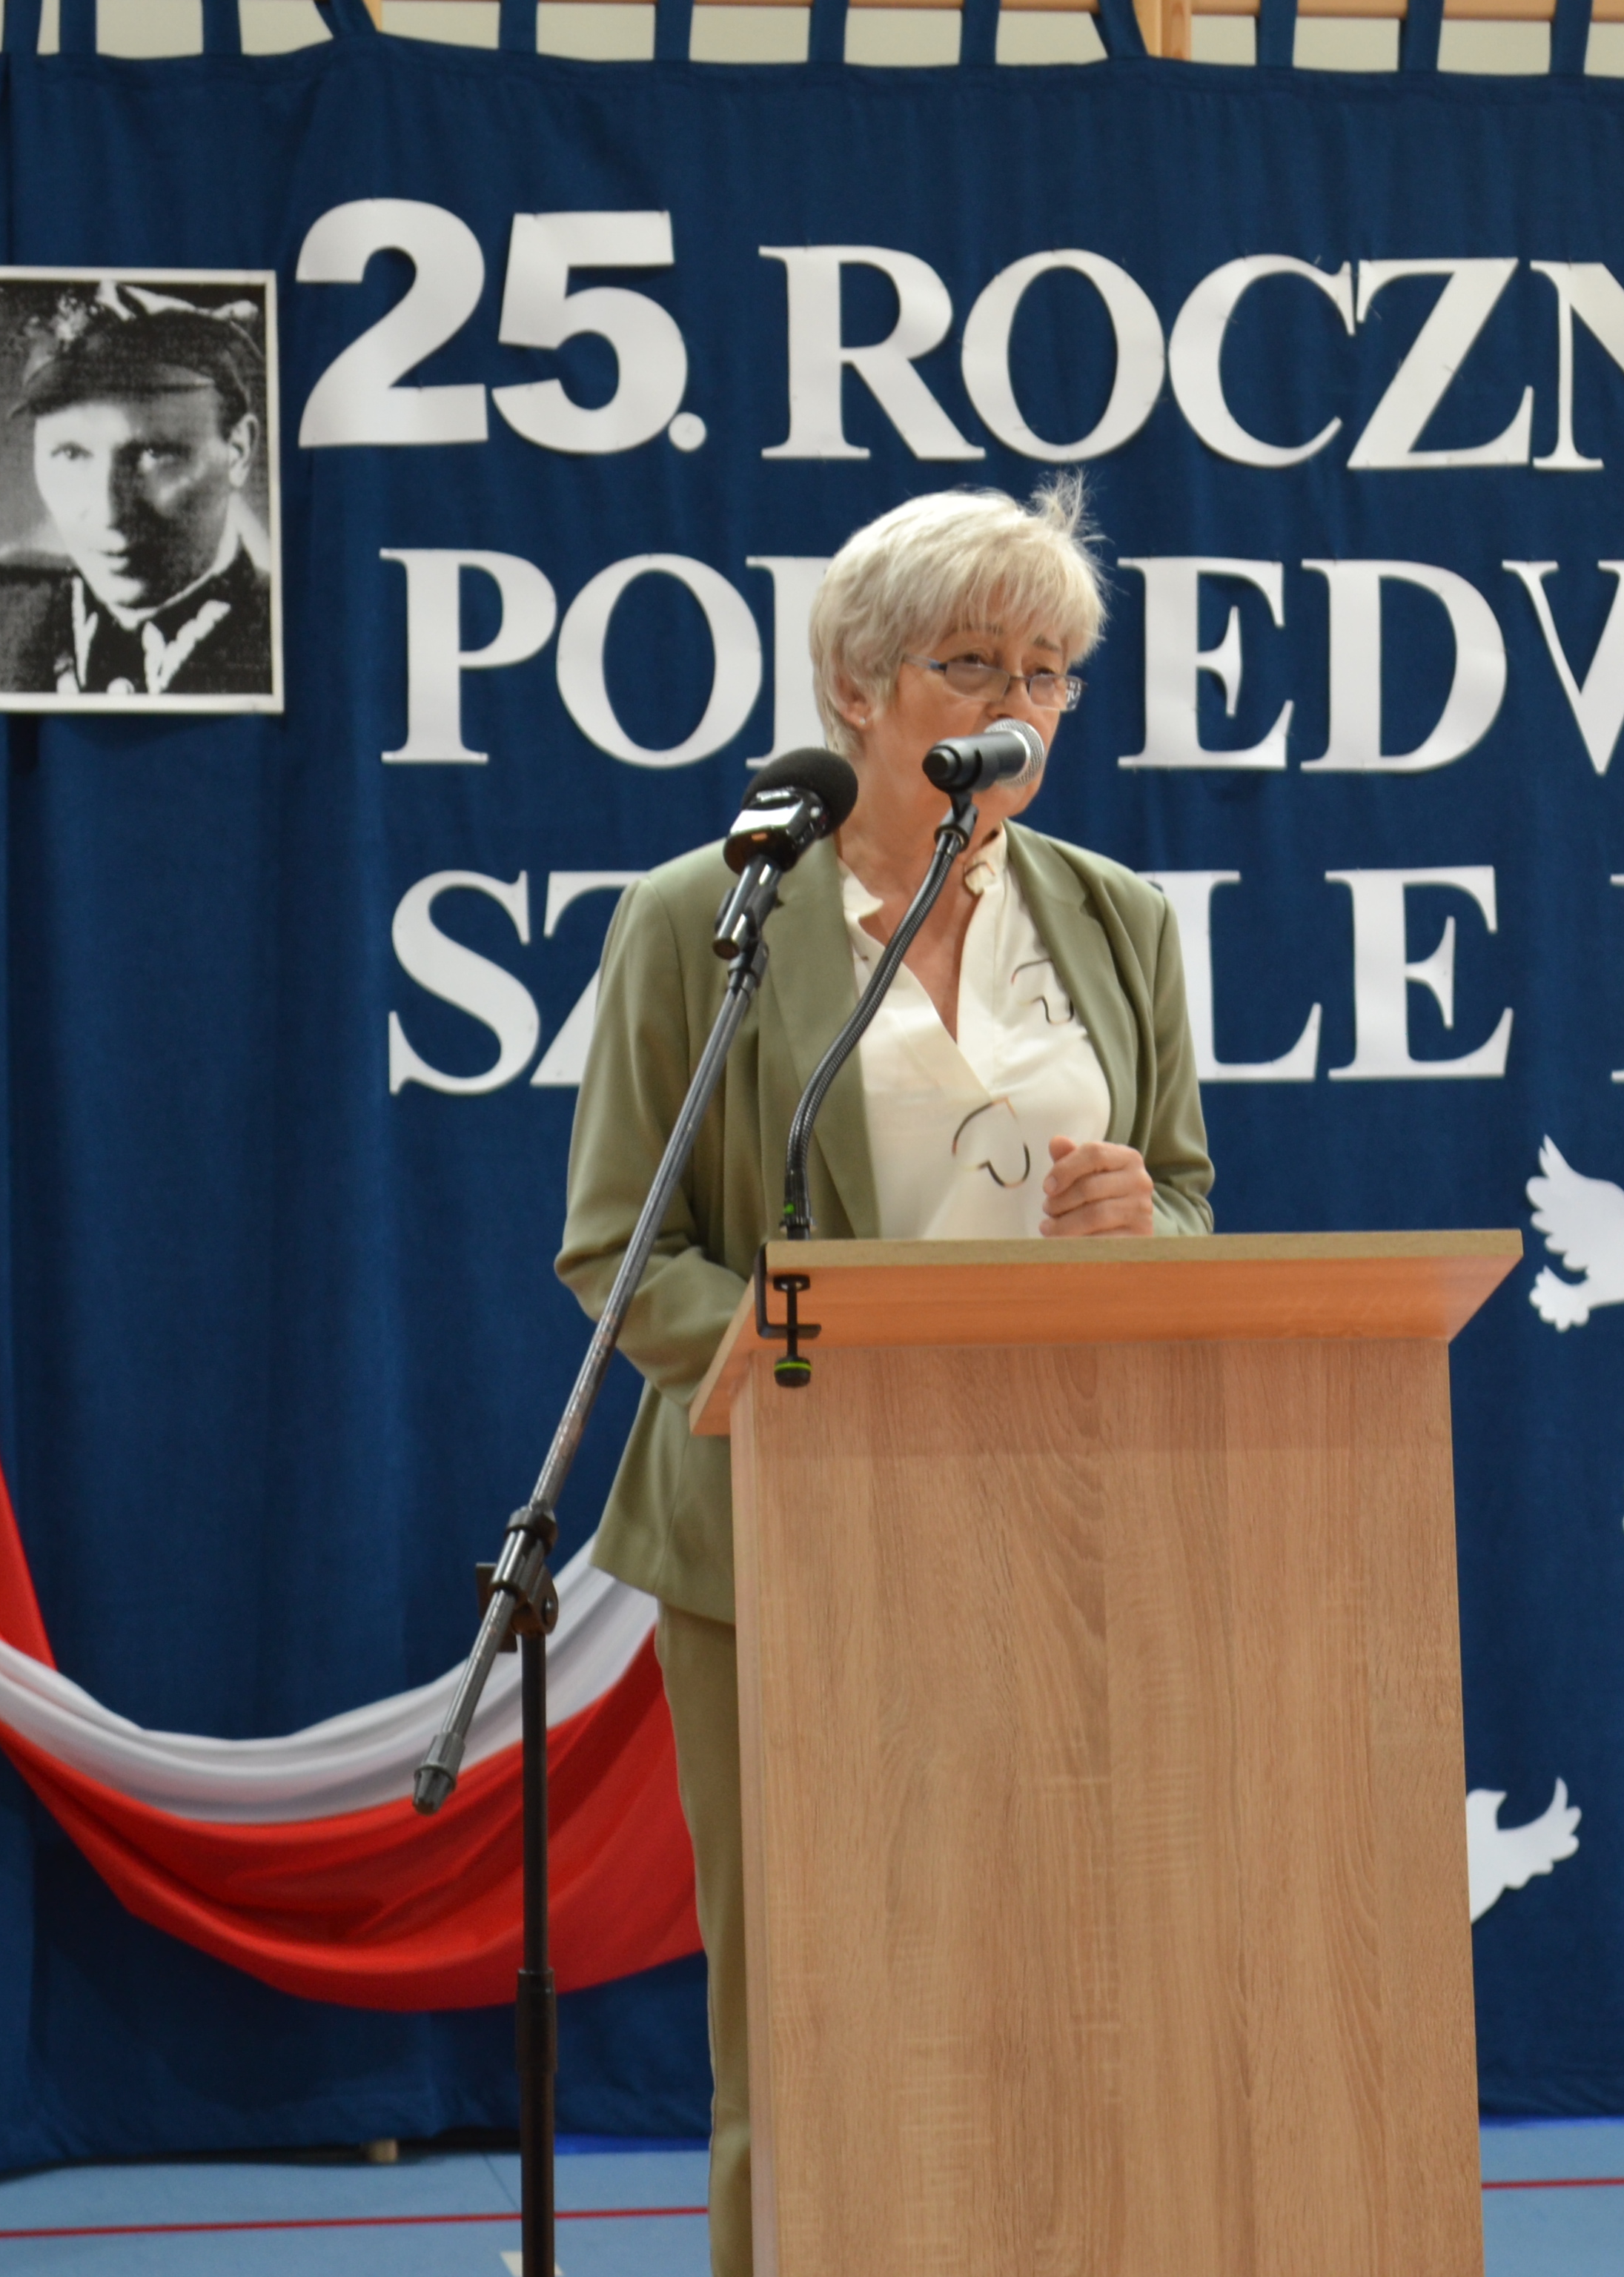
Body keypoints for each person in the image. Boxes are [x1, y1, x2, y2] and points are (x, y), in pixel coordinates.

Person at [558, 480, 1211, 2277]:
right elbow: (622, 1249)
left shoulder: (1117, 916)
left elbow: (1186, 1191)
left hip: (1063, 1520)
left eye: (1050, 672)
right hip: (788, 1527)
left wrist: (1139, 1219)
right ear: (855, 685)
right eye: (974, 666)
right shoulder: (704, 916)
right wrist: (801, 1368)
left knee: (1058, 1989)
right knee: (813, 2004)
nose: (1021, 710)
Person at [0, 280, 274, 701]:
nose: (108, 513)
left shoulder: (292, 637)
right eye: (71, 454)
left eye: (155, 454)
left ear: (238, 452)